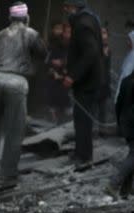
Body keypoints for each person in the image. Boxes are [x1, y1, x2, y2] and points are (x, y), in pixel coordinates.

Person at [0, 1, 47, 182]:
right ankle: (8, 171)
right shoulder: (31, 34)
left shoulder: (1, 34)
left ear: (10, 17)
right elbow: (42, 53)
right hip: (17, 83)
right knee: (14, 129)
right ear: (26, 17)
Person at [62, 0, 104, 166]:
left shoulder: (83, 24)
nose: (65, 10)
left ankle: (84, 156)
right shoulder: (89, 19)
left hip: (87, 82)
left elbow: (90, 53)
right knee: (80, 118)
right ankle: (81, 152)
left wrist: (73, 76)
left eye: (67, 7)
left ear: (75, 7)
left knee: (83, 120)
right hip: (88, 80)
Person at [105, 31, 134, 198]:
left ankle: (126, 190)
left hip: (125, 122)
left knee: (132, 153)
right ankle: (113, 184)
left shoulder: (126, 80)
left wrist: (120, 123)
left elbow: (119, 105)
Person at [45, 21, 70, 124]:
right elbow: (46, 61)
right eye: (57, 29)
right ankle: (54, 120)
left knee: (63, 101)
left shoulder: (68, 44)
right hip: (53, 77)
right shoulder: (52, 44)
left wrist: (63, 63)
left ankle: (62, 120)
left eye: (61, 29)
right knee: (52, 100)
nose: (59, 31)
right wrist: (52, 69)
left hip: (65, 77)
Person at [96, 26, 112, 135]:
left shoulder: (108, 50)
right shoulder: (94, 48)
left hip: (104, 85)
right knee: (91, 110)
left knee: (103, 110)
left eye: (105, 33)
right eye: (101, 33)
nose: (103, 36)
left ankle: (102, 131)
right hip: (94, 85)